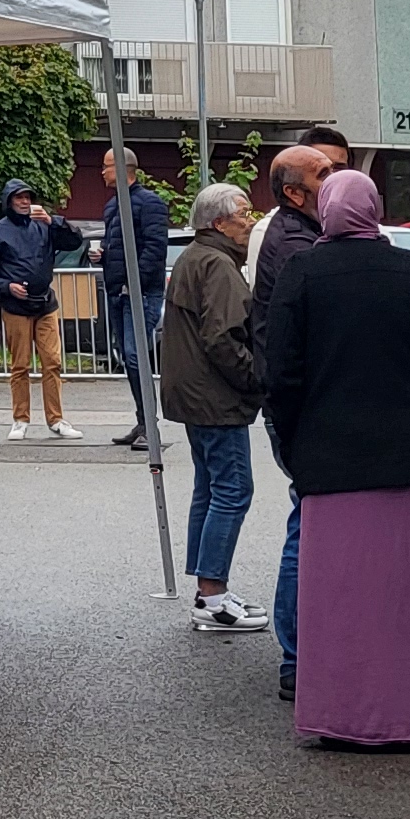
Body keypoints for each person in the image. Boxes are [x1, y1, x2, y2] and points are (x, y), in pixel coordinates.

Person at [264, 169, 410, 749]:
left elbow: (281, 375)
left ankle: (345, 717)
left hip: (335, 463)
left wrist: (296, 446)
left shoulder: (302, 274)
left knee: (345, 603)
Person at [156, 182, 266, 631]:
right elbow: (223, 338)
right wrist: (256, 380)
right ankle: (212, 594)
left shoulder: (194, 257)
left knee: (211, 487)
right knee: (233, 489)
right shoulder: (218, 264)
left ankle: (209, 591)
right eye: (242, 213)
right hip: (214, 396)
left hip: (194, 393)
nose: (250, 221)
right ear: (218, 222)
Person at [246, 144, 332, 699]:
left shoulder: (296, 234)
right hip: (300, 409)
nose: (337, 178)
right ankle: (297, 658)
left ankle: (305, 654)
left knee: (313, 522)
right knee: (309, 523)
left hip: (297, 403)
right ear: (295, 193)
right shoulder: (297, 245)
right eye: (326, 173)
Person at [0, 180, 83, 440]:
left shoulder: (44, 225)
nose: (24, 202)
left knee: (53, 362)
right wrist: (6, 286)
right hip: (15, 306)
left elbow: (75, 241)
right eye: (19, 198)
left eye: (28, 197)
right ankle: (20, 419)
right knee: (20, 365)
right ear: (8, 201)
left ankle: (56, 419)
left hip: (45, 302)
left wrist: (53, 221)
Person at [89, 146, 173, 440]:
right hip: (119, 290)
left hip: (141, 293)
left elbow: (154, 248)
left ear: (125, 169)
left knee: (136, 354)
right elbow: (117, 245)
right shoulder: (113, 206)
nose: (102, 172)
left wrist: (135, 281)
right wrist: (102, 257)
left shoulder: (149, 204)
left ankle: (149, 424)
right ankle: (143, 421)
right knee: (128, 355)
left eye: (106, 166)